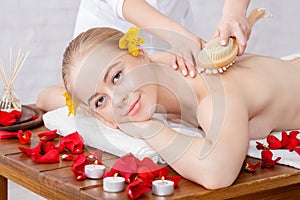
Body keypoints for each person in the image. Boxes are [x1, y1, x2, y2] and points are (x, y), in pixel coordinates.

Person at [37, 27, 300, 189]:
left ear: (138, 51)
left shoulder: (212, 95)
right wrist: (97, 110)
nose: (118, 99)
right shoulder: (152, 72)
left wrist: (150, 130)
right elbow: (47, 96)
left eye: (116, 76)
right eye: (100, 100)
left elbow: (216, 172)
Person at [74, 0, 251, 77]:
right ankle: (44, 99)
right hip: (109, 36)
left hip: (174, 22)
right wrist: (177, 35)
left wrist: (234, 12)